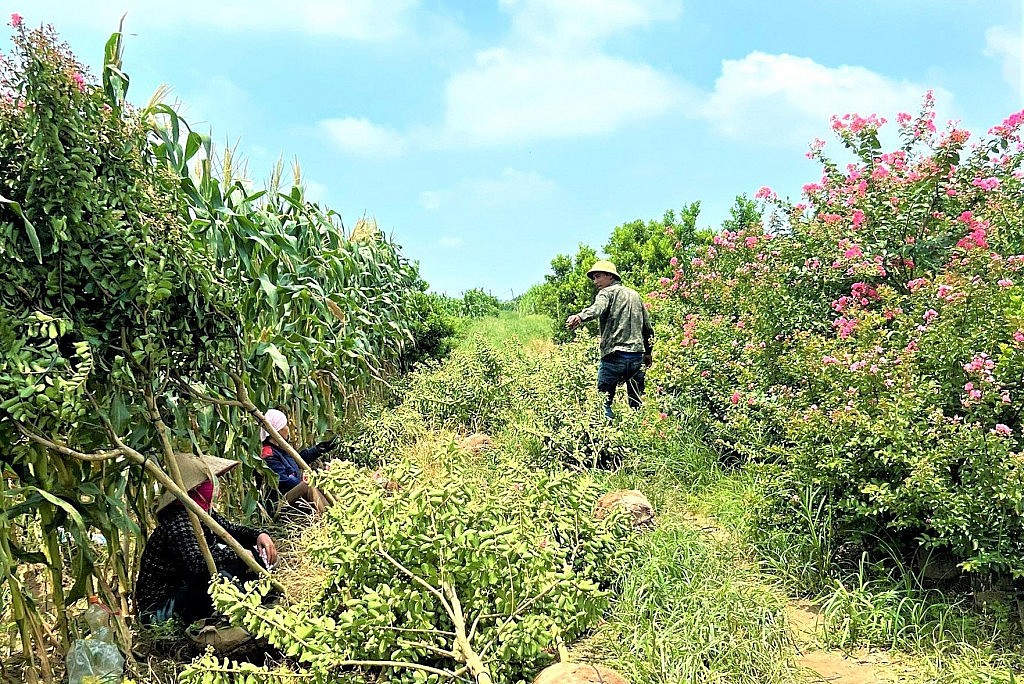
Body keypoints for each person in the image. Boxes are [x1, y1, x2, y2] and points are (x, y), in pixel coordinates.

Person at [135, 453, 278, 627]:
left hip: (183, 590)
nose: (213, 487)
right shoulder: (179, 521)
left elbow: (230, 530)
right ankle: (248, 614)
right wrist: (238, 554)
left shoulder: (202, 513)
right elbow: (197, 564)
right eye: (207, 483)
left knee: (248, 560)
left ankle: (263, 598)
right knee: (218, 579)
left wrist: (259, 535)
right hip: (159, 610)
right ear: (193, 489)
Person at [565, 260, 654, 420]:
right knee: (637, 403)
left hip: (614, 357)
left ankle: (607, 437)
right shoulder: (635, 295)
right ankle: (639, 434)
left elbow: (597, 309)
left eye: (598, 276)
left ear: (610, 276)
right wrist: (648, 352)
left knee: (603, 403)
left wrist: (580, 316)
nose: (595, 281)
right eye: (593, 278)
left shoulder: (606, 293)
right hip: (636, 357)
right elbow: (647, 327)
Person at [259, 408, 335, 515]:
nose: (287, 428)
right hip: (280, 503)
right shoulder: (268, 453)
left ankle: (336, 509)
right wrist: (305, 480)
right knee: (308, 486)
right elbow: (283, 482)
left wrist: (319, 449)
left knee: (321, 482)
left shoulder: (281, 447)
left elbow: (297, 459)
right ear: (278, 431)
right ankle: (328, 517)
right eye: (284, 426)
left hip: (292, 494)